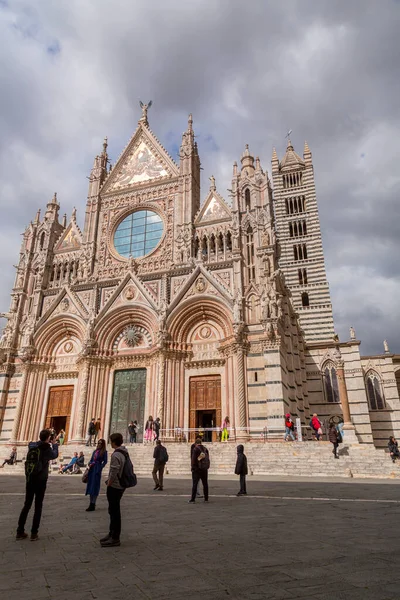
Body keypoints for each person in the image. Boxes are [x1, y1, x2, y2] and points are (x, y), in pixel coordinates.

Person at [16, 429, 59, 541]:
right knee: (38, 506)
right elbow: (54, 455)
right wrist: (54, 444)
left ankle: (19, 531)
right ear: (48, 438)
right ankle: (34, 533)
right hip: (40, 480)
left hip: (30, 479)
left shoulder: (32, 446)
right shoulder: (46, 449)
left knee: (27, 505)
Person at [100, 432, 128, 547]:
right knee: (113, 511)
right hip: (120, 485)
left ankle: (115, 537)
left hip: (115, 485)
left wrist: (109, 482)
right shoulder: (124, 452)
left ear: (113, 442)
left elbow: (114, 470)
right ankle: (112, 533)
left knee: (114, 511)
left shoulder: (116, 455)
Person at [85, 439, 108, 511]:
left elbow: (105, 461)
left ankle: (93, 503)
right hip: (92, 468)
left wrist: (100, 467)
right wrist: (89, 464)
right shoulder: (95, 451)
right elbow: (91, 459)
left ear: (103, 444)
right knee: (90, 485)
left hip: (97, 469)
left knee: (95, 486)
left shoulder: (104, 452)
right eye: (98, 443)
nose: (99, 444)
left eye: (101, 443)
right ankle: (90, 503)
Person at [188, 438, 210, 503]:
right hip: (204, 469)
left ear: (196, 443)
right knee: (205, 484)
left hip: (197, 469)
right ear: (201, 442)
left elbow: (193, 459)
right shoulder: (205, 449)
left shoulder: (195, 449)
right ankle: (206, 498)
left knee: (195, 484)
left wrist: (193, 467)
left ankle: (193, 499)